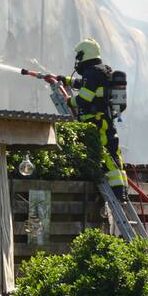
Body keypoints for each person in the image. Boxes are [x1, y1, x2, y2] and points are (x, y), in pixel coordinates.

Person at [57, 38, 129, 200]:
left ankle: (118, 192)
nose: (77, 60)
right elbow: (84, 84)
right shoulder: (102, 71)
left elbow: (84, 99)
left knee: (107, 154)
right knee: (113, 152)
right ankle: (121, 189)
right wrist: (65, 80)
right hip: (105, 120)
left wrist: (68, 100)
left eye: (78, 55)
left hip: (96, 121)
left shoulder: (92, 72)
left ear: (84, 54)